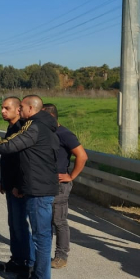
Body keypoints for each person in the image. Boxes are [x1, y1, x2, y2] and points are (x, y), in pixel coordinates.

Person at [0, 95, 59, 279]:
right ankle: (32, 275)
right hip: (35, 187)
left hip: (38, 190)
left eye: (20, 107)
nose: (18, 110)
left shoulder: (35, 127)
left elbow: (10, 146)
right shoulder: (38, 125)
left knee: (41, 238)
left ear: (30, 108)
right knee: (33, 233)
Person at [43, 104, 88, 269]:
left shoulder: (64, 134)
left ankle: (61, 256)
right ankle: (43, 254)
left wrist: (71, 176)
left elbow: (82, 156)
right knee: (45, 220)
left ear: (50, 117)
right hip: (45, 183)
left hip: (60, 184)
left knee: (58, 220)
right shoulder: (46, 133)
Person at [0, 97, 33, 275]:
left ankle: (29, 264)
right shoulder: (11, 128)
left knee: (21, 226)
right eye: (2, 108)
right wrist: (4, 181)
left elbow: (23, 162)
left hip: (19, 188)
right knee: (13, 224)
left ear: (18, 110)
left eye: (6, 108)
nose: (2, 111)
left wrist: (18, 185)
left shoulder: (22, 129)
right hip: (10, 185)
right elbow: (8, 159)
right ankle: (17, 259)